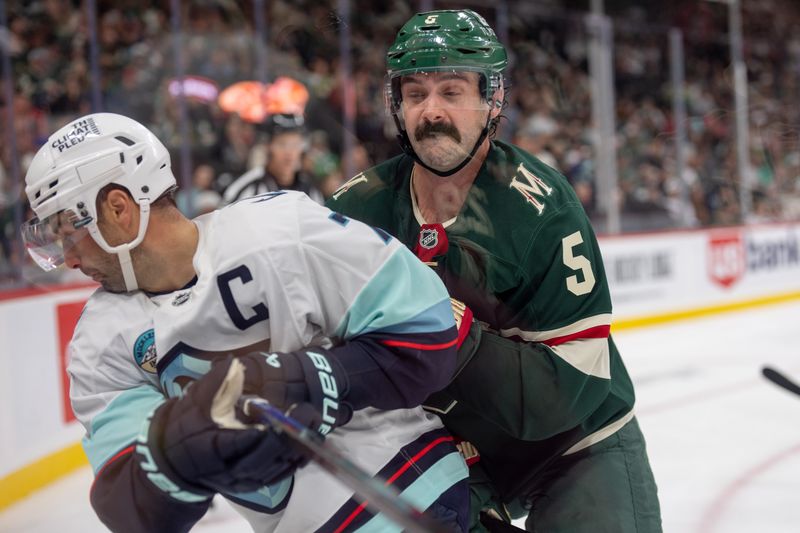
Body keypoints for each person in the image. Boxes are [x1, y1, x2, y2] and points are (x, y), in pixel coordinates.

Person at [21, 112, 473, 532]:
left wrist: (309, 378)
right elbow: (129, 508)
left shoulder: (282, 229)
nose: (71, 260)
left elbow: (427, 333)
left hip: (413, 493)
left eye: (69, 234)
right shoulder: (98, 345)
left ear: (118, 209)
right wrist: (176, 452)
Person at [326, 9, 662, 533]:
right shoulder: (355, 211)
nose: (431, 111)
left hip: (577, 445)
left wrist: (444, 331)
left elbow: (569, 389)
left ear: (492, 99)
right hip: (452, 457)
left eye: (452, 91)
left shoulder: (542, 211)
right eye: (415, 94)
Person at [222, 113, 324, 205]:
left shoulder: (311, 191)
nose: (289, 153)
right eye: (282, 144)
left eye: (295, 144)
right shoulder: (247, 188)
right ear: (267, 146)